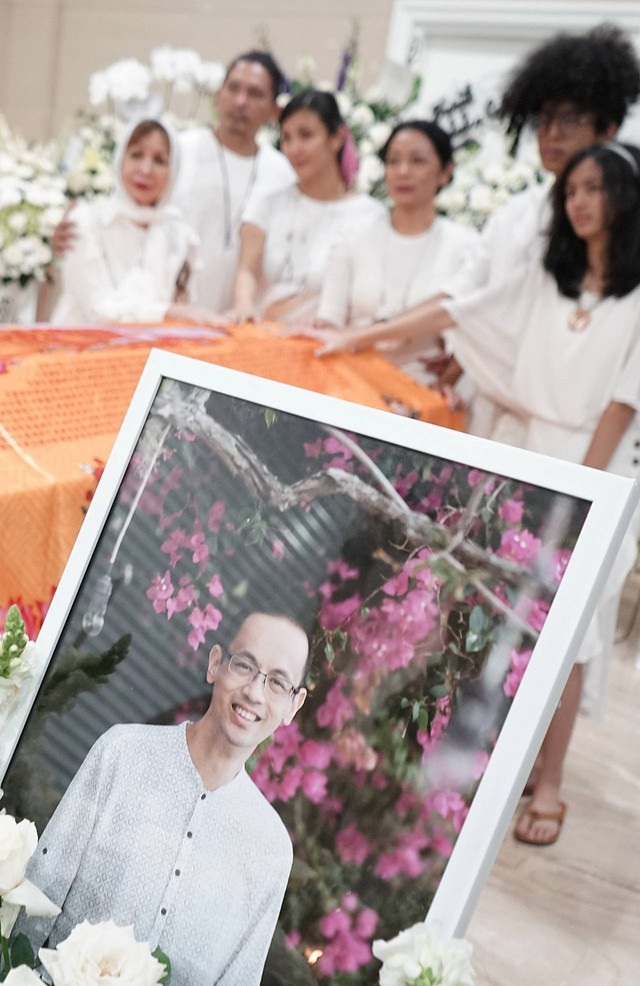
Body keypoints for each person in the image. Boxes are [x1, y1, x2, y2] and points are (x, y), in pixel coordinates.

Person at [319, 142, 640, 847]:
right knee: (492, 613)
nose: (579, 202)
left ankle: (549, 783)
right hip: (523, 452)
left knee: (572, 636)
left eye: (594, 188)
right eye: (571, 190)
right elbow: (461, 311)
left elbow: (622, 406)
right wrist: (361, 337)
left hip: (593, 467)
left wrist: (580, 500)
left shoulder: (637, 296)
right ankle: (487, 762)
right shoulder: (546, 280)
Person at [309, 24, 640, 389]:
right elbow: (460, 300)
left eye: (570, 118)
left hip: (574, 395)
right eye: (543, 119)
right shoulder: (517, 213)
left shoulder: (622, 223)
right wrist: (451, 365)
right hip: (494, 398)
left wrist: (361, 337)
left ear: (608, 128)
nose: (552, 133)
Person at [18, 611, 311, 985]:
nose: (254, 692)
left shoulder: (270, 850)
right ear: (215, 664)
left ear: (293, 706)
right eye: (244, 666)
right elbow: (38, 895)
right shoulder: (123, 753)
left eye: (278, 683)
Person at [52, 51, 295, 314]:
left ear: (275, 111)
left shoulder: (283, 173)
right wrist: (73, 231)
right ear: (217, 95)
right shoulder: (176, 150)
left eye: (255, 93)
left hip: (239, 318)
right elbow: (122, 213)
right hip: (165, 313)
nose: (240, 101)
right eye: (233, 88)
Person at [314, 119, 477, 385]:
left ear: (445, 172)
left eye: (417, 161)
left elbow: (460, 326)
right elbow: (329, 319)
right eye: (393, 161)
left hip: (422, 389)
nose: (403, 171)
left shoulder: (465, 246)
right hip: (348, 381)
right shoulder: (353, 235)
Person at [232, 89, 385, 324]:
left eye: (306, 135)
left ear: (336, 138)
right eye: (286, 137)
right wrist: (244, 307)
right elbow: (247, 270)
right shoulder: (268, 204)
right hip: (262, 334)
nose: (294, 148)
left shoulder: (369, 215)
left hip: (330, 339)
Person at [50, 118, 212, 326]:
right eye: (136, 155)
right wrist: (169, 312)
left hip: (149, 346)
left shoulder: (180, 235)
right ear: (121, 159)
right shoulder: (86, 220)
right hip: (78, 343)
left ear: (174, 170)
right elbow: (97, 310)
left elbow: (181, 310)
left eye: (159, 161)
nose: (145, 170)